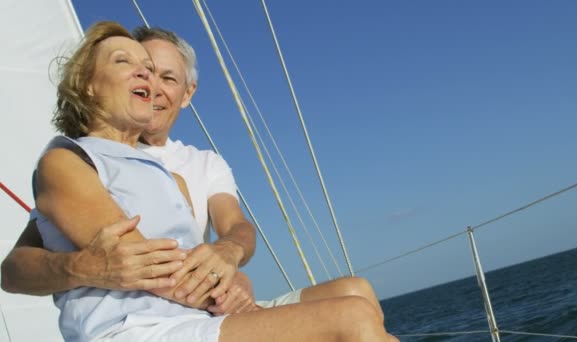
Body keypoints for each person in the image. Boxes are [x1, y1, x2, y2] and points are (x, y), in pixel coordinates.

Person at [23, 21, 395, 341]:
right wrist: (233, 300)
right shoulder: (69, 161)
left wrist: (232, 280)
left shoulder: (173, 178)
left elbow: (226, 239)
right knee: (351, 318)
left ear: (188, 93)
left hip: (190, 318)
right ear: (87, 84)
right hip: (134, 329)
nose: (146, 76)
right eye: (125, 62)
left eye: (153, 71)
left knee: (361, 306)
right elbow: (147, 267)